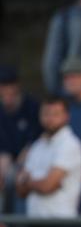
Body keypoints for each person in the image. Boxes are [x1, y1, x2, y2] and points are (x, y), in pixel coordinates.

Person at [16, 98, 81, 218]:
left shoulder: (70, 144)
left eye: (55, 114)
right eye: (46, 113)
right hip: (33, 219)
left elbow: (47, 186)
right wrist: (40, 184)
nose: (50, 118)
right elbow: (20, 190)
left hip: (61, 221)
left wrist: (28, 182)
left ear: (66, 116)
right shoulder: (37, 146)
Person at [0, 66, 41, 213]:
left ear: (16, 86)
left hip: (32, 159)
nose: (6, 90)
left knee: (18, 178)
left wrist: (21, 163)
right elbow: (3, 150)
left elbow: (36, 140)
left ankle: (16, 223)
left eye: (9, 85)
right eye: (2, 87)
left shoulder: (31, 107)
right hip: (7, 160)